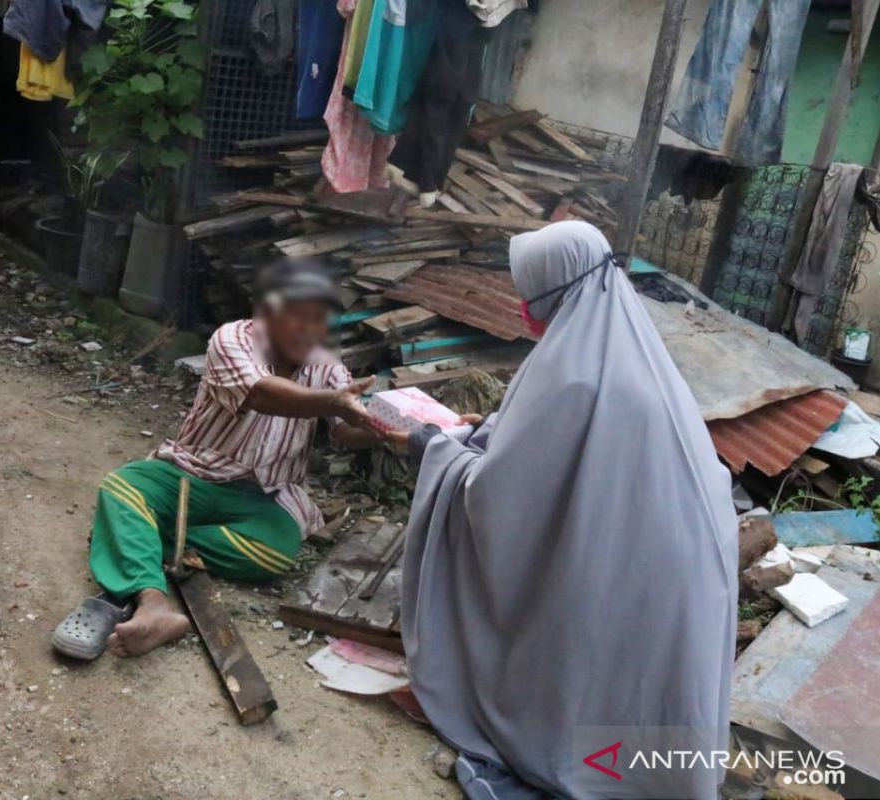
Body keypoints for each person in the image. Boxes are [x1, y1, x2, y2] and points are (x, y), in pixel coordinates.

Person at [395, 221, 738, 799]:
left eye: (527, 292)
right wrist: (487, 434)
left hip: (640, 582)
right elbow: (547, 448)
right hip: (686, 583)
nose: (523, 307)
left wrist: (437, 451)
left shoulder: (573, 373)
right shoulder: (628, 348)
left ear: (552, 291)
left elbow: (500, 499)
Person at [52, 259, 384, 661]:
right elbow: (261, 393)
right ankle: (155, 604)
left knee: (275, 552)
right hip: (191, 476)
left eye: (319, 320)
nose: (309, 330)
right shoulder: (233, 339)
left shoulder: (325, 364)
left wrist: (397, 435)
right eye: (298, 317)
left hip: (263, 497)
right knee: (122, 488)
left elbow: (343, 429)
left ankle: (137, 540)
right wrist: (333, 401)